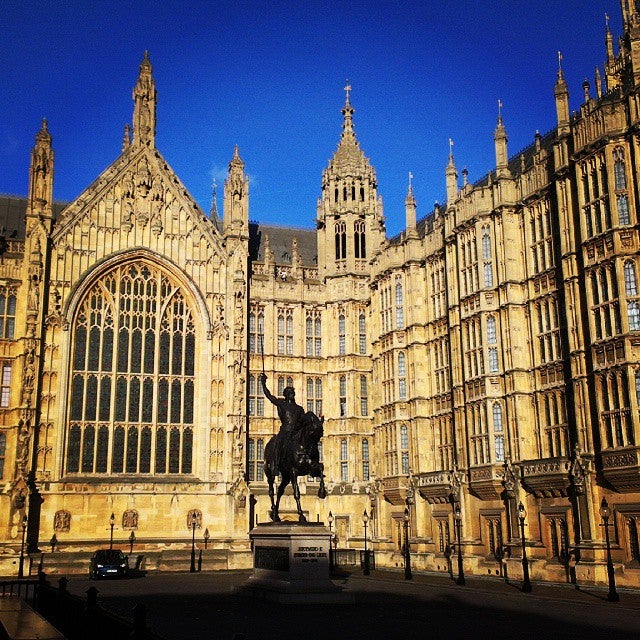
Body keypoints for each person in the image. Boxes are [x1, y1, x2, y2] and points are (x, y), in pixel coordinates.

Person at [260, 373, 306, 468]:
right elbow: (269, 396)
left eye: (293, 393)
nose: (292, 395)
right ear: (286, 395)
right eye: (290, 393)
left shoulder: (299, 409)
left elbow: (304, 421)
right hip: (285, 431)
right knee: (278, 443)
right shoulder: (282, 404)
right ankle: (275, 465)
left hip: (296, 432)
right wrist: (263, 384)